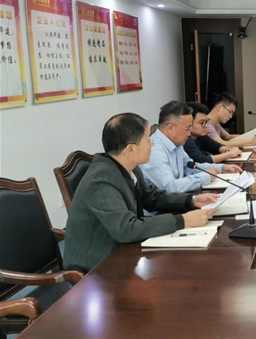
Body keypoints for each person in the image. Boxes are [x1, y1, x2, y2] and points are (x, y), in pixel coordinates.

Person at [63, 113, 220, 273]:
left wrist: (191, 200)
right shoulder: (101, 179)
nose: (152, 144)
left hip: (122, 252)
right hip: (95, 268)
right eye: (148, 140)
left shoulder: (129, 167)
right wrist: (183, 221)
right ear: (130, 149)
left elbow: (152, 198)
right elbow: (127, 229)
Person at [140, 101, 242, 193]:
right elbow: (170, 187)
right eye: (187, 129)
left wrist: (221, 168)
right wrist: (206, 176)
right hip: (162, 206)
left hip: (178, 199)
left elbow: (191, 168)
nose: (189, 134)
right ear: (171, 128)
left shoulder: (176, 144)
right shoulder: (155, 151)